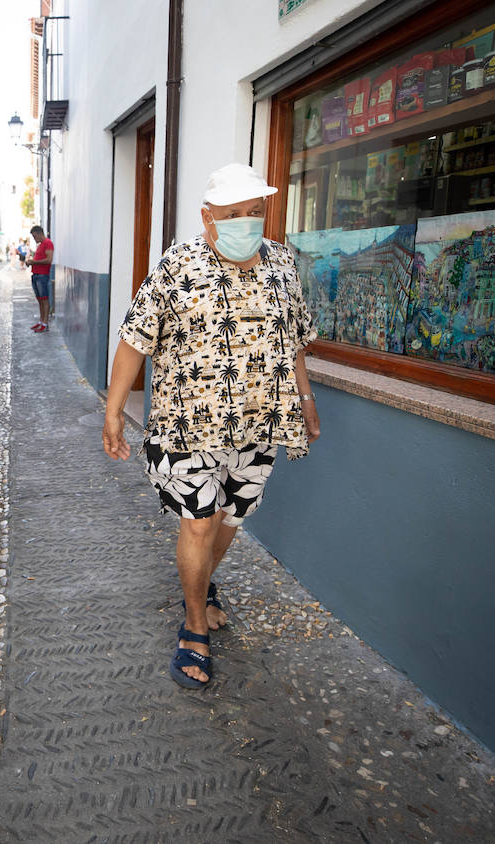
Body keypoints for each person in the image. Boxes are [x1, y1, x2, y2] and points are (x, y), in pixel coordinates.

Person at [101, 163, 321, 690]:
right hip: (187, 425)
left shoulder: (281, 266)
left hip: (259, 422)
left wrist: (306, 398)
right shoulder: (178, 266)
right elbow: (135, 338)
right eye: (234, 214)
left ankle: (200, 585)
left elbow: (292, 343)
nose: (248, 222)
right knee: (199, 522)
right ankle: (194, 624)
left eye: (255, 212)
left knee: (229, 521)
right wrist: (112, 411)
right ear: (208, 217)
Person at [25, 225, 53, 332]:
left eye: (35, 236)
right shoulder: (40, 245)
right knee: (40, 300)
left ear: (40, 233)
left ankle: (45, 323)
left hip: (42, 276)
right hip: (36, 274)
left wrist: (34, 262)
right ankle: (41, 321)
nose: (34, 239)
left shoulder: (48, 243)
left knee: (44, 299)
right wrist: (31, 263)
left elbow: (49, 260)